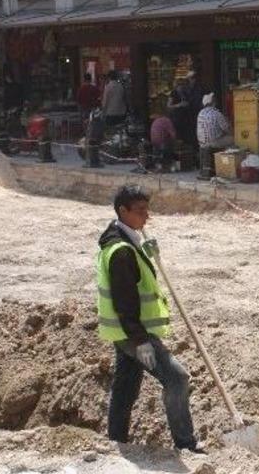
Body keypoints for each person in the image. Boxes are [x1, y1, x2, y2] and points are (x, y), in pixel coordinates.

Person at [96, 185, 203, 453]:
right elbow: (125, 301)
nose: (147, 216)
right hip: (132, 333)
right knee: (177, 378)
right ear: (123, 211)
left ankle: (116, 440)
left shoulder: (124, 238)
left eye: (147, 209)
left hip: (126, 332)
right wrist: (141, 341)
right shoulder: (120, 251)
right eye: (141, 210)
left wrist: (146, 252)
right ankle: (186, 444)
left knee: (126, 386)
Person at [167, 78, 192, 147]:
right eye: (180, 85)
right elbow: (169, 105)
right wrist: (179, 105)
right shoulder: (173, 93)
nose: (182, 87)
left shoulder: (185, 93)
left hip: (185, 116)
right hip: (176, 117)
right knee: (178, 134)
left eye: (183, 85)